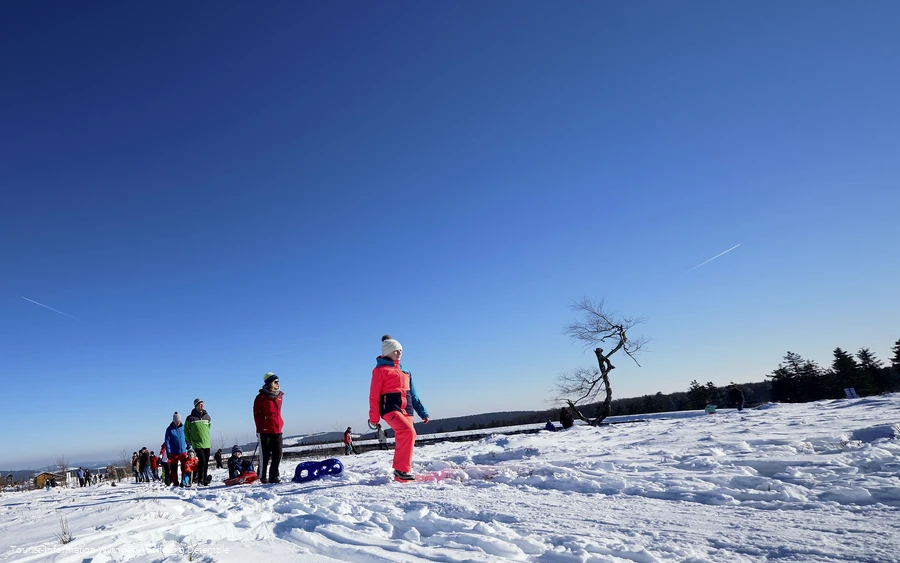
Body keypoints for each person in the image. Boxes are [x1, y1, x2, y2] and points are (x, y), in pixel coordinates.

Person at [369, 335, 429, 482]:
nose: (399, 353)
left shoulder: (406, 370)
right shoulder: (380, 370)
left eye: (400, 350)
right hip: (390, 407)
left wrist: (422, 412)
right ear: (387, 352)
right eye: (395, 350)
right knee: (408, 432)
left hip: (407, 408)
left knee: (408, 436)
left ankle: (401, 476)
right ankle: (401, 470)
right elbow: (374, 395)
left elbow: (413, 394)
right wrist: (374, 418)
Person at [254, 372, 284, 484]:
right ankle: (262, 476)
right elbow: (256, 414)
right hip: (264, 431)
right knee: (265, 456)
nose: (278, 383)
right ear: (269, 383)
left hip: (277, 429)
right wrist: (259, 428)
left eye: (278, 381)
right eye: (275, 381)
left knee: (278, 454)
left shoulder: (280, 396)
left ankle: (274, 477)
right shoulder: (260, 397)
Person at [185, 398, 212, 486]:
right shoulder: (190, 418)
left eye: (203, 404)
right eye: (200, 404)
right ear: (196, 406)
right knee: (202, 460)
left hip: (206, 442)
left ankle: (204, 479)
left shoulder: (207, 417)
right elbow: (186, 430)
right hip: (197, 443)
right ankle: (200, 479)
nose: (202, 405)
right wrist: (190, 440)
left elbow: (208, 427)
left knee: (206, 461)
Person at [165, 412, 189, 487]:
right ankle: (175, 482)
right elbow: (167, 441)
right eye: (177, 421)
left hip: (183, 452)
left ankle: (183, 481)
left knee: (184, 467)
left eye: (179, 421)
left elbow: (186, 437)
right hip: (174, 452)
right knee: (174, 469)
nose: (178, 422)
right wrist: (168, 452)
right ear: (174, 421)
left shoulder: (183, 427)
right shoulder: (169, 429)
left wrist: (188, 445)